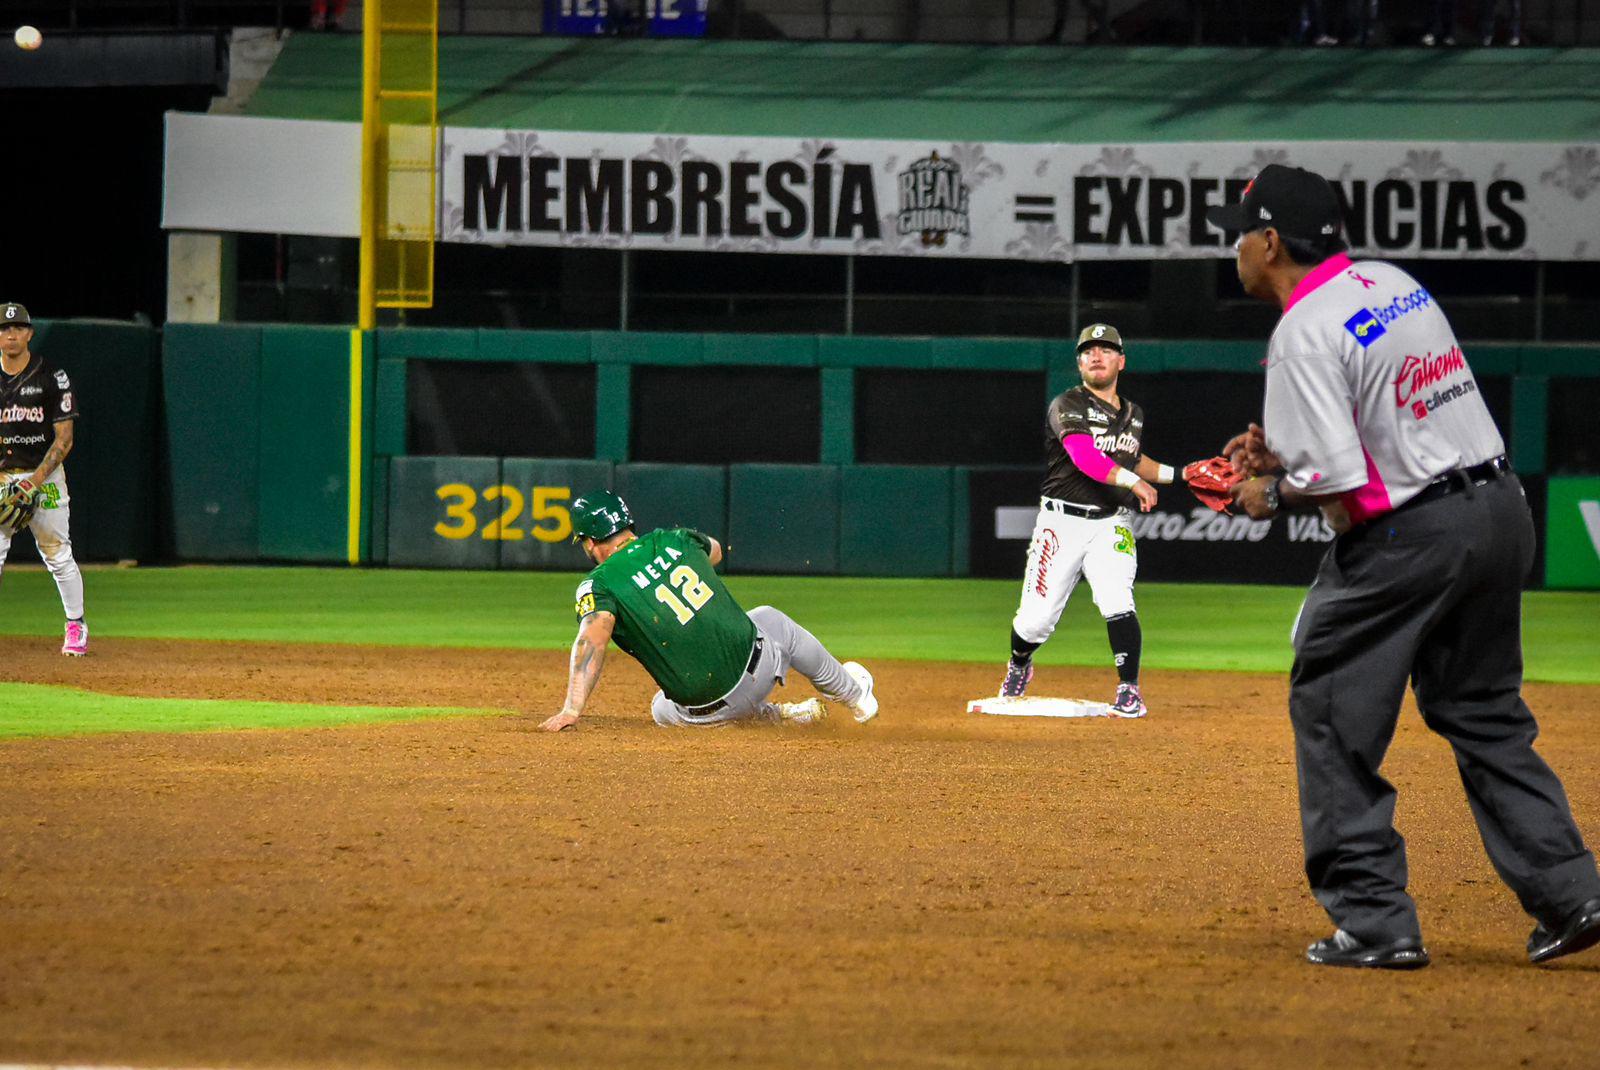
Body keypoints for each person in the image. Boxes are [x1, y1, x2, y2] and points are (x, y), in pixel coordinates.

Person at [1208, 163, 1600, 969]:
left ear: (1272, 240)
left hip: (1410, 537)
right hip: (1497, 508)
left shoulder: (1300, 331)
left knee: (1328, 709)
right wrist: (1286, 454)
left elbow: (1340, 485)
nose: (1236, 246)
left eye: (1241, 232)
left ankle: (1376, 920)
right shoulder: (1392, 284)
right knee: (1482, 709)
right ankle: (1574, 891)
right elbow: (1392, 406)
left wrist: (1266, 492)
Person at [538, 491, 878, 731]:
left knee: (661, 707)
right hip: (757, 672)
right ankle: (854, 695)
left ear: (591, 541)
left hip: (699, 714)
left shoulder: (597, 584)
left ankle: (780, 717)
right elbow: (715, 552)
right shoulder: (673, 540)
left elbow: (592, 639)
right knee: (770, 619)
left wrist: (572, 708)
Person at [998, 323, 1181, 718]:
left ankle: (1129, 690)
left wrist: (1177, 475)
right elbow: (1086, 458)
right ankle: (1019, 664)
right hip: (1060, 523)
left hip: (1111, 522)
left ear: (1121, 361)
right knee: (1035, 621)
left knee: (1117, 599)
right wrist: (1134, 483)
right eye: (1088, 351)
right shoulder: (1067, 404)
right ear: (1079, 362)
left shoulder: (1133, 414)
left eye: (1105, 349)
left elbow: (1131, 459)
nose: (1096, 355)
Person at [0, 302, 87, 656]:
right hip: (3, 476)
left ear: (30, 333)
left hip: (44, 477)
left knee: (57, 553)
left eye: (18, 328)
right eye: (4, 329)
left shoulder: (52, 376)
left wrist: (32, 483)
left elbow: (64, 440)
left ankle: (76, 625)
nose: (11, 334)